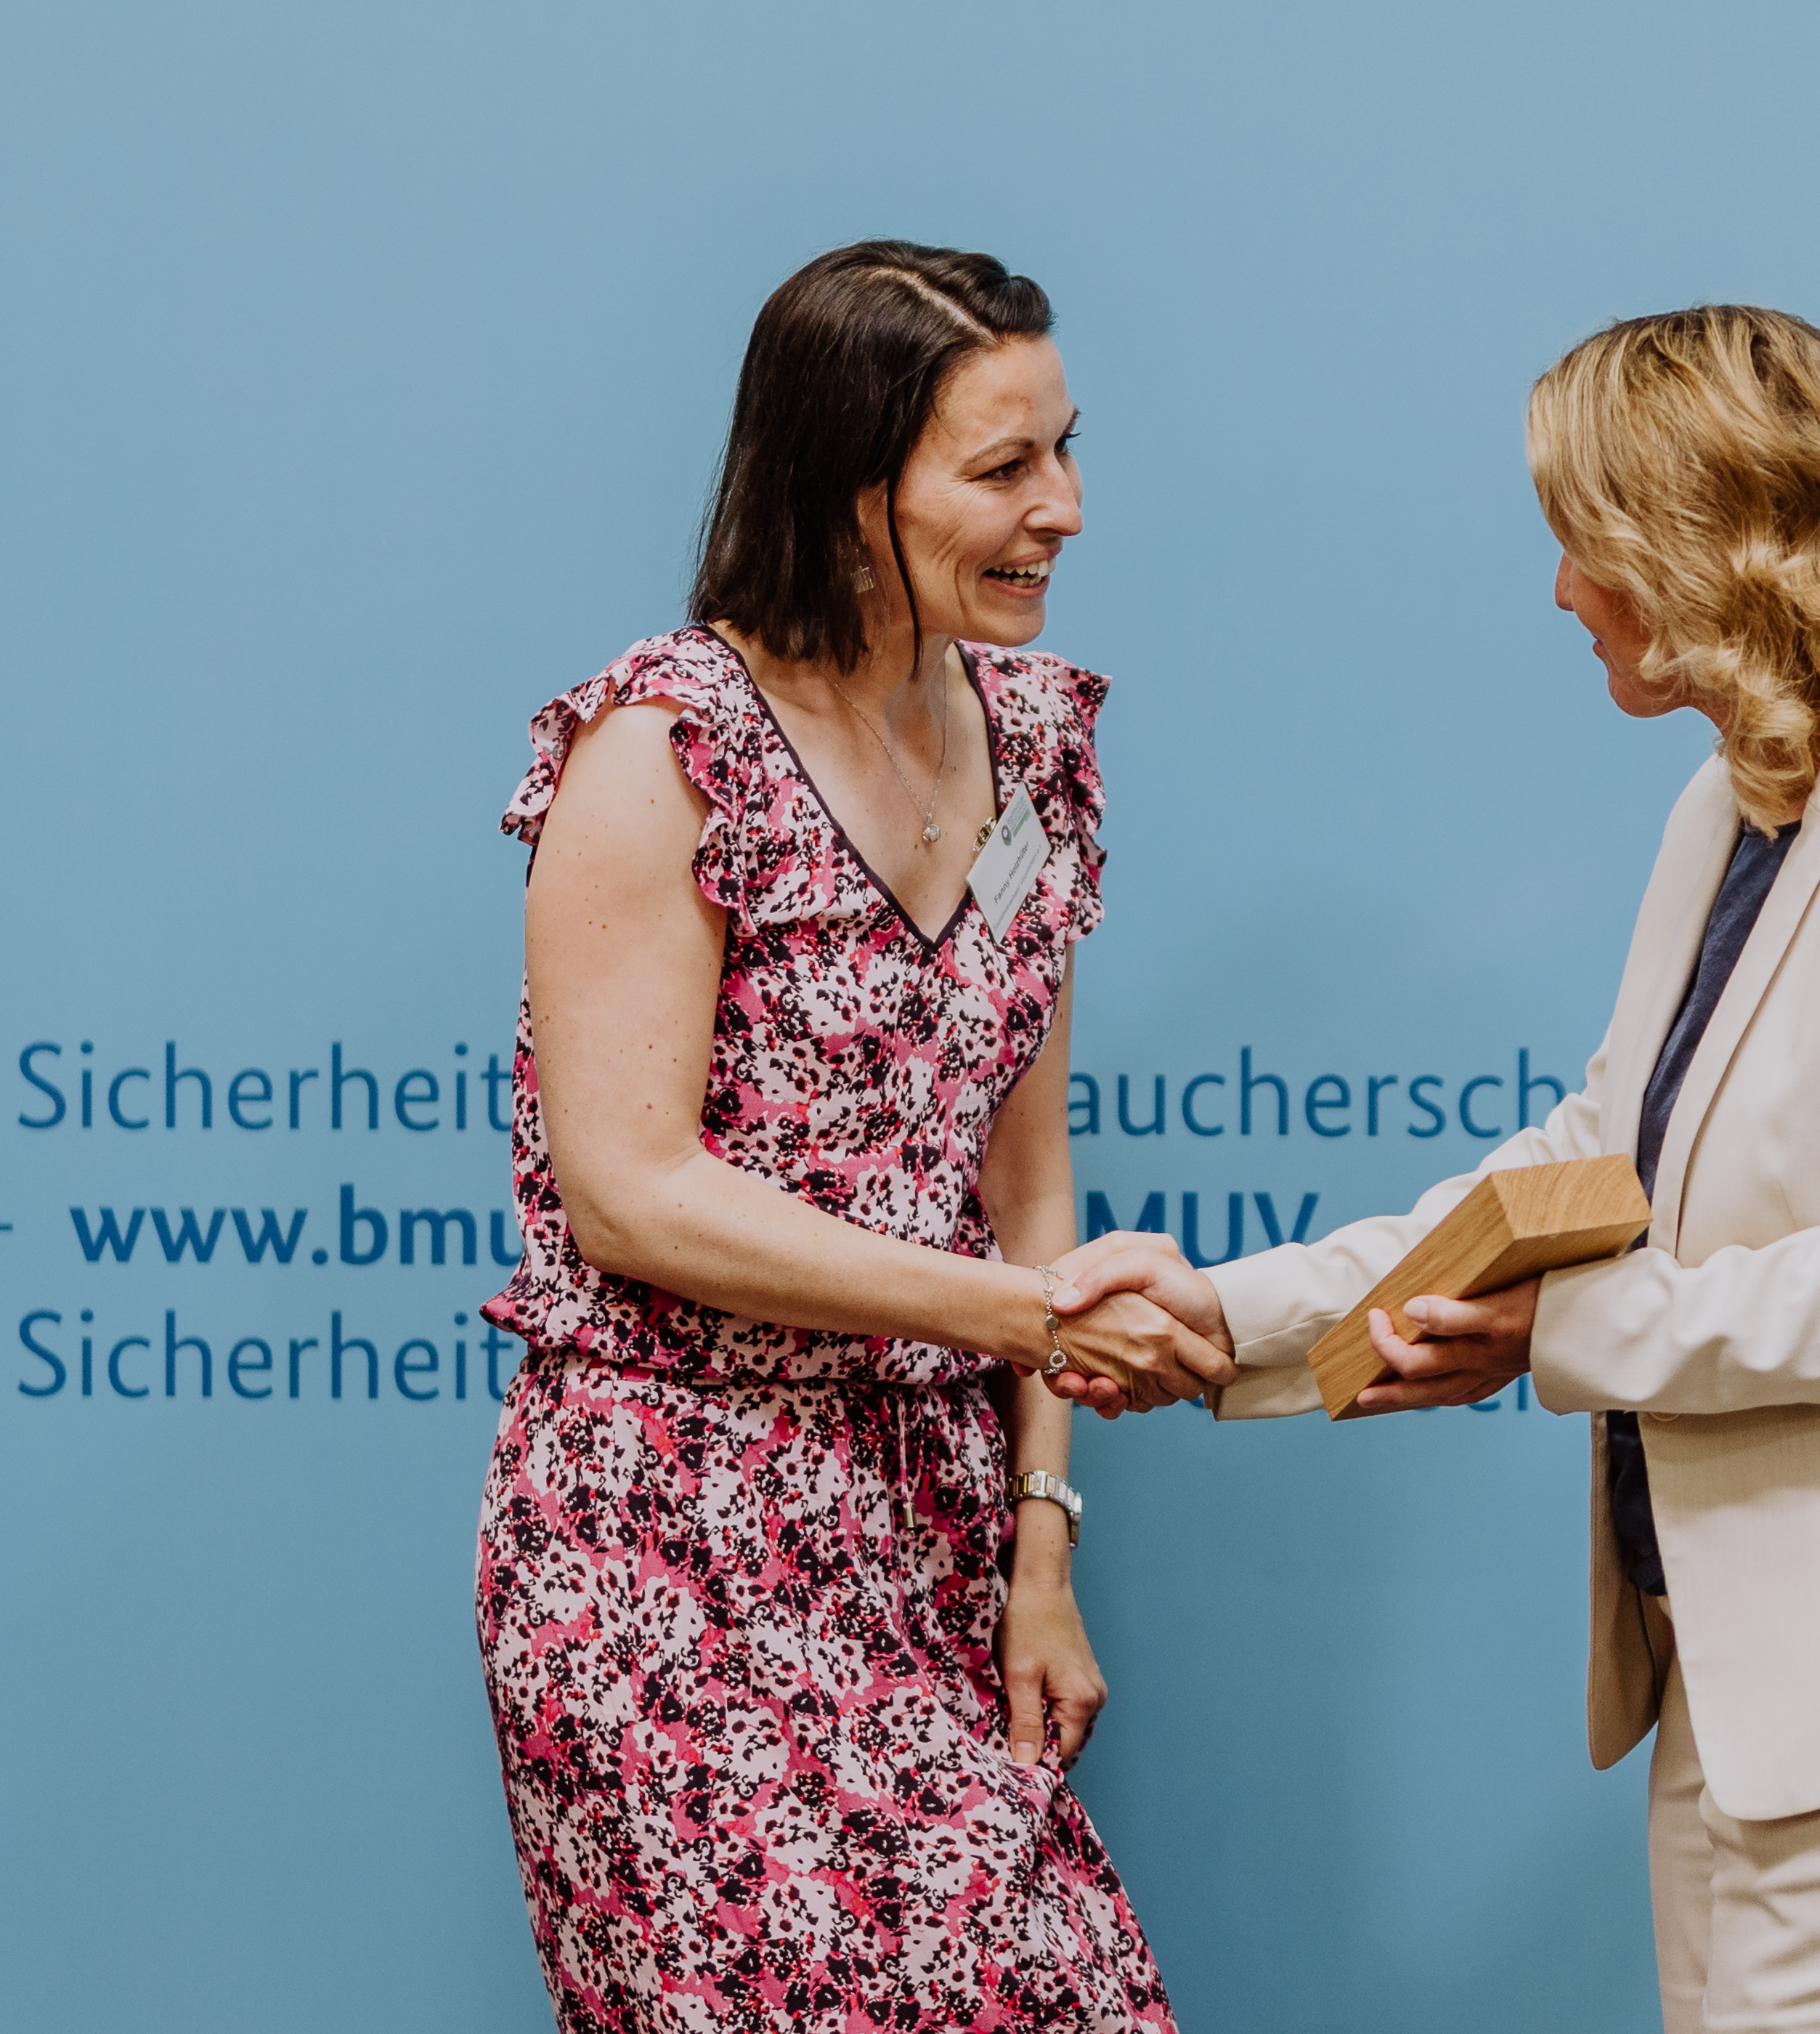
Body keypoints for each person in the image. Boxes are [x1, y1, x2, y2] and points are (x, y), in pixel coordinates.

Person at [1050, 306, 1820, 2033]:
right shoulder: (1739, 806)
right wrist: (1228, 1310)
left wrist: (1565, 1336)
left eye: (1579, 540)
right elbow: (1588, 1161)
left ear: (1704, 541)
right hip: (1763, 1673)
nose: (1556, 591)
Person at [475, 240, 1227, 2034]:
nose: (1064, 506)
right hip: (665, 1543)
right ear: (845, 482)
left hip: (937, 1535)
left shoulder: (1039, 739)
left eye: (1063, 449)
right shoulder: (664, 748)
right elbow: (633, 1191)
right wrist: (1023, 1317)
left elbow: (1026, 1181)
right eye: (1002, 468)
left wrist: (1041, 1537)